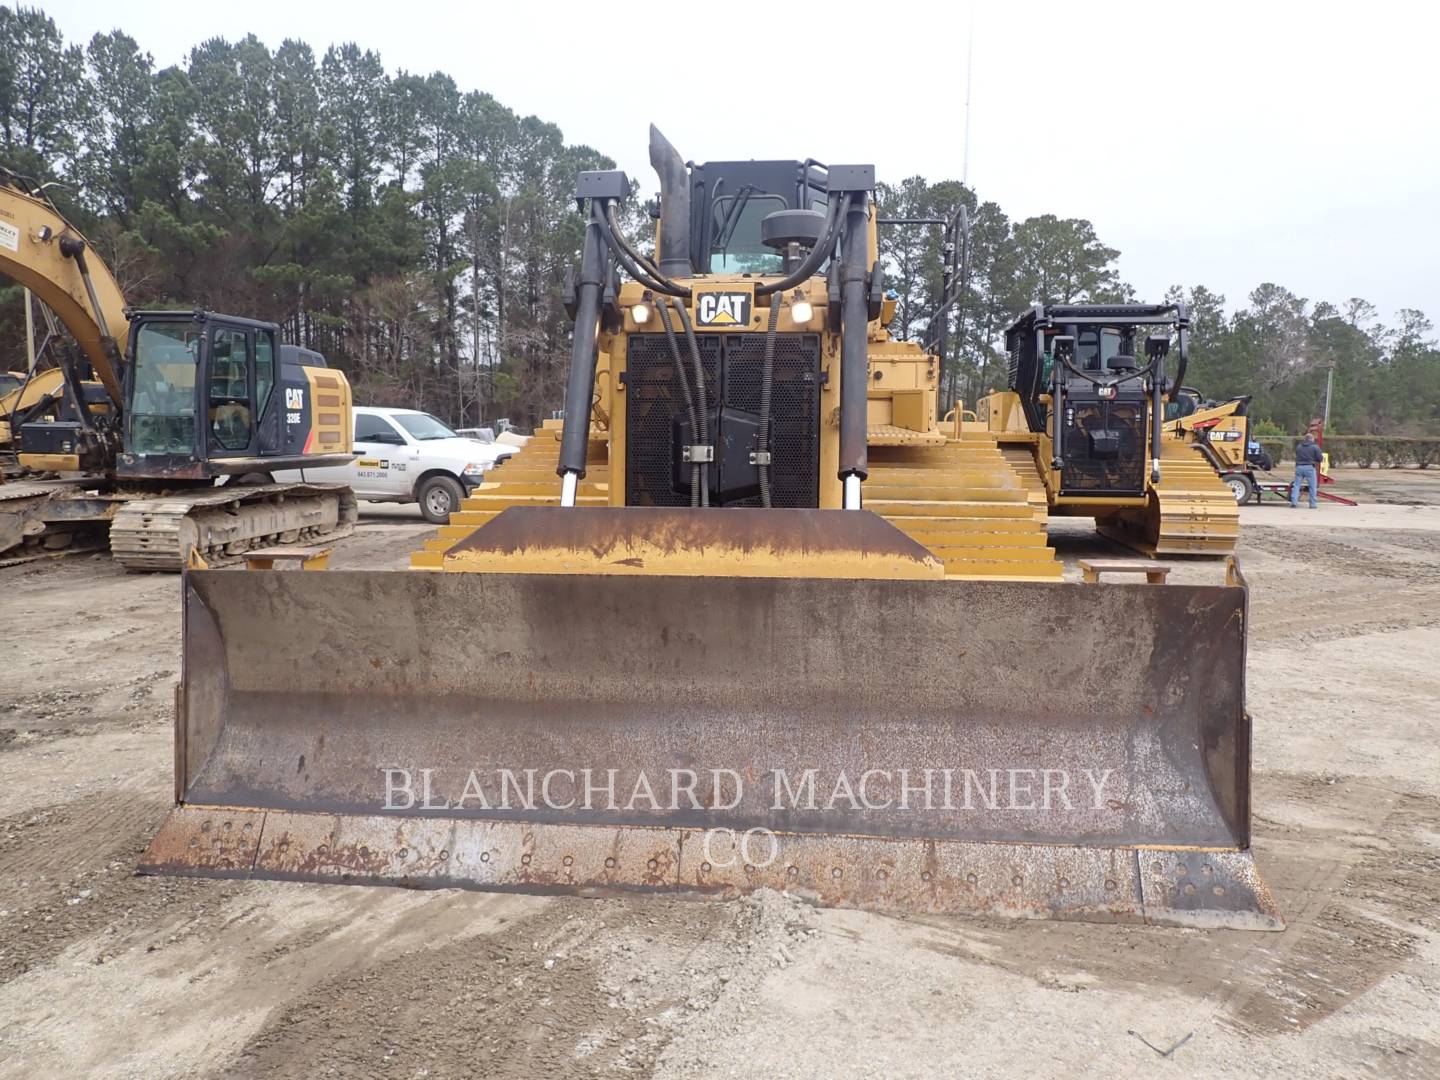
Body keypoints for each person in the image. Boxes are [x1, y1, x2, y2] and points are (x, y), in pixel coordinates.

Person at [1291, 432, 1323, 508]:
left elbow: (1296, 455)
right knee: (1312, 486)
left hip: (1299, 467)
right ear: (1311, 439)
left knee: (1296, 485)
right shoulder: (1315, 447)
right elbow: (1320, 458)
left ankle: (1294, 502)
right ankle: (1312, 504)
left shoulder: (1299, 447)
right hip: (1309, 467)